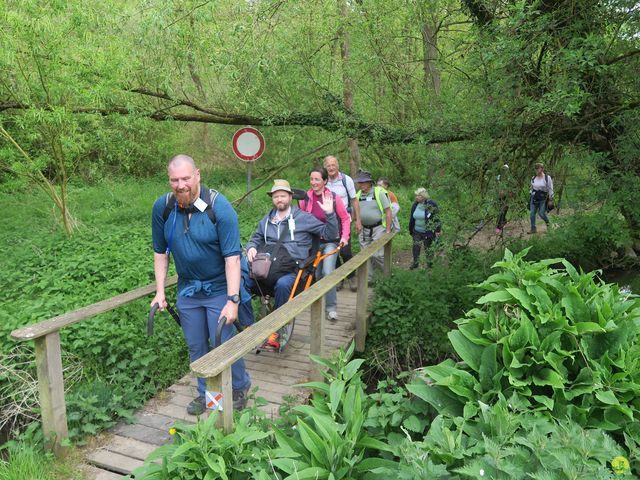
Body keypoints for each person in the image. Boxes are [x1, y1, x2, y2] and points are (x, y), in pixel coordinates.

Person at [151, 154, 254, 415]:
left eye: (186, 178)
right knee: (196, 345)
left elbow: (232, 257)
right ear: (169, 180)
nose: (180, 185)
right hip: (188, 289)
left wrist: (232, 301)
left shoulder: (219, 208)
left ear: (198, 175)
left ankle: (239, 387)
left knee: (222, 342)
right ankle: (207, 394)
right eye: (174, 180)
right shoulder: (162, 208)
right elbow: (160, 252)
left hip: (219, 287)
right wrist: (160, 292)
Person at [245, 179, 339, 346]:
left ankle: (277, 329)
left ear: (290, 197)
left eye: (282, 196)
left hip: (292, 269)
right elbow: (256, 238)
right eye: (275, 196)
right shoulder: (267, 220)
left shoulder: (304, 218)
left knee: (282, 285)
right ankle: (248, 326)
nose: (279, 199)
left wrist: (330, 214)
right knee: (240, 280)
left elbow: (330, 234)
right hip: (267, 266)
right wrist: (252, 247)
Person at [299, 167, 351, 322]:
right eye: (312, 179)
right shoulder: (305, 199)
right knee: (317, 275)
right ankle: (318, 305)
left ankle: (331, 309)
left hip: (331, 241)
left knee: (327, 272)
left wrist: (345, 237)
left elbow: (345, 218)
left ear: (325, 181)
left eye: (317, 179)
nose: (313, 182)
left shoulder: (334, 198)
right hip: (313, 242)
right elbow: (301, 219)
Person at [323, 155, 360, 292]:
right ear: (325, 167)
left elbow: (354, 200)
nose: (331, 168)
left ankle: (351, 277)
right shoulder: (323, 181)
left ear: (337, 166)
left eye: (333, 165)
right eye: (328, 166)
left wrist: (358, 220)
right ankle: (339, 278)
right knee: (333, 249)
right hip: (329, 219)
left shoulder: (346, 180)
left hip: (345, 218)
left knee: (345, 250)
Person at [355, 170, 392, 281]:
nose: (360, 184)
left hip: (378, 228)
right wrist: (356, 222)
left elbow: (388, 211)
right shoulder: (358, 195)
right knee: (365, 255)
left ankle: (387, 276)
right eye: (359, 182)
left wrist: (388, 230)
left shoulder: (378, 193)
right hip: (363, 229)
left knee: (378, 255)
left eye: (363, 182)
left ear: (369, 182)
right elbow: (355, 212)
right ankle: (369, 279)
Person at [408, 188, 442, 269]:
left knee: (428, 248)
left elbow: (436, 217)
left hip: (427, 231)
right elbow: (412, 218)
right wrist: (411, 230)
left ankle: (430, 265)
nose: (416, 197)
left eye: (418, 195)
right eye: (416, 195)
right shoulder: (415, 204)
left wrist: (438, 230)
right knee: (416, 247)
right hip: (416, 231)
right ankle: (415, 263)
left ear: (423, 196)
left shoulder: (431, 204)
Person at [528, 162, 554, 234]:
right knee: (532, 213)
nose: (536, 170)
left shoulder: (547, 178)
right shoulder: (533, 178)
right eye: (535, 168)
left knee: (541, 213)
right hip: (534, 197)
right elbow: (531, 187)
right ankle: (533, 228)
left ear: (542, 169)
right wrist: (531, 193)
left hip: (543, 198)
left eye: (538, 168)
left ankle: (548, 225)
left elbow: (550, 189)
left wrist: (550, 199)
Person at [495, 164, 512, 235]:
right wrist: (499, 191)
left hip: (506, 196)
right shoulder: (498, 177)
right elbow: (496, 185)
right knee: (500, 210)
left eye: (505, 169)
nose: (504, 171)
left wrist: (508, 193)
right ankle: (499, 225)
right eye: (503, 169)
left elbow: (510, 187)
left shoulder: (509, 178)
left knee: (504, 209)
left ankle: (501, 222)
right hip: (499, 196)